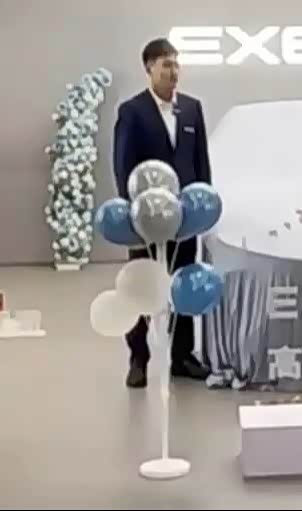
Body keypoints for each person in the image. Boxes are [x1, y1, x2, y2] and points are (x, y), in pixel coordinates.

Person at [114, 38, 212, 389]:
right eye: (165, 64)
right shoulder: (133, 111)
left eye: (175, 64)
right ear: (149, 68)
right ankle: (138, 359)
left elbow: (201, 164)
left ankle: (182, 356)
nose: (173, 71)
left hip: (185, 218)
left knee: (182, 284)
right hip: (147, 219)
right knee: (143, 285)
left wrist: (202, 208)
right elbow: (123, 166)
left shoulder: (192, 109)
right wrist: (134, 214)